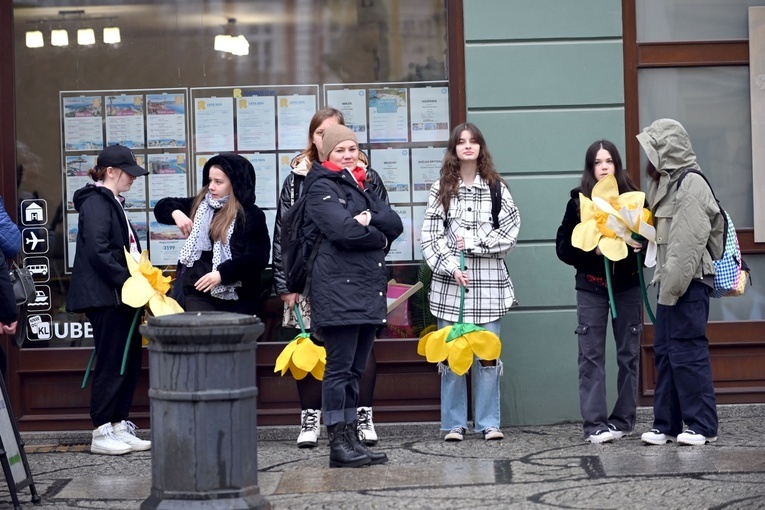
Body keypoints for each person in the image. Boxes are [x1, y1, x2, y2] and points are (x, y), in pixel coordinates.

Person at [272, 108, 387, 448]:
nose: (339, 145)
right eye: (324, 133)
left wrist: (374, 235)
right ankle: (314, 417)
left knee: (356, 355)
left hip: (361, 278)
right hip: (314, 276)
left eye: (341, 135)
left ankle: (358, 417)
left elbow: (388, 222)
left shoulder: (367, 177)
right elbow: (286, 232)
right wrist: (285, 283)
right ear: (314, 139)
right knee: (316, 352)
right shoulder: (303, 179)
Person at [302, 124, 402, 467]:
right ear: (326, 154)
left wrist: (370, 217)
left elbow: (395, 222)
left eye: (351, 149)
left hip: (365, 288)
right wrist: (380, 237)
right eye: (339, 150)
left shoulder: (362, 183)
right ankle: (338, 443)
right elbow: (343, 231)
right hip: (338, 290)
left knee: (355, 369)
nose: (347, 155)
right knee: (339, 369)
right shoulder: (320, 187)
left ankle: (352, 439)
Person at [421, 122, 521, 442]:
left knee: (488, 357)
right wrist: (452, 267)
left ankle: (488, 422)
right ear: (454, 149)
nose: (467, 146)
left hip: (489, 285)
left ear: (480, 147)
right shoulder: (441, 189)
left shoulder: (496, 188)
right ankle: (453, 423)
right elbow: (430, 237)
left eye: (473, 141)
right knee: (452, 357)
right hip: (451, 288)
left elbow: (510, 232)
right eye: (461, 141)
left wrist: (475, 244)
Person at [636, 119, 724, 446]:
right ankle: (667, 425)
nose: (649, 155)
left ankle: (702, 426)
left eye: (653, 149)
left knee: (688, 352)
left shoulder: (690, 184)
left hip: (689, 283)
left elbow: (688, 245)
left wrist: (669, 290)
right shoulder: (668, 184)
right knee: (666, 353)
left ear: (666, 151)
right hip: (672, 283)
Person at [67, 144, 153, 455]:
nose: (133, 178)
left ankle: (118, 424)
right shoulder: (97, 202)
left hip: (120, 297)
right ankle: (102, 430)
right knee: (112, 361)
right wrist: (129, 281)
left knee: (127, 362)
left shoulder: (110, 201)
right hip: (108, 297)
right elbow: (99, 252)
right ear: (110, 172)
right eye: (129, 173)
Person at [555, 140, 643, 444]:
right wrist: (591, 250)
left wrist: (638, 247)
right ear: (590, 168)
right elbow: (564, 249)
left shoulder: (632, 202)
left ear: (617, 165)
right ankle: (595, 425)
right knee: (590, 355)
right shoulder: (579, 203)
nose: (604, 167)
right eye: (597, 162)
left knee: (628, 354)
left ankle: (623, 420)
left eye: (609, 161)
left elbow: (650, 246)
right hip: (592, 287)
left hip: (627, 287)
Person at [154, 153, 270, 314]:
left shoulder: (251, 214)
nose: (211, 186)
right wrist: (176, 212)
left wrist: (223, 274)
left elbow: (257, 257)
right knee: (202, 337)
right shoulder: (200, 205)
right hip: (198, 293)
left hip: (239, 297)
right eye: (210, 180)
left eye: (218, 182)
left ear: (235, 184)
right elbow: (162, 206)